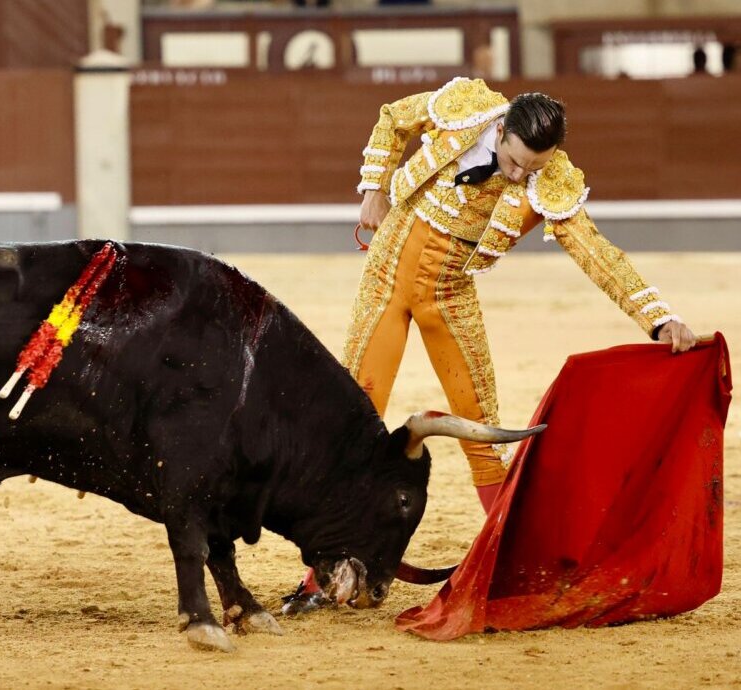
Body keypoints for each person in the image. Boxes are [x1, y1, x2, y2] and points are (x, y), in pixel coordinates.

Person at [281, 77, 697, 615]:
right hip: (384, 275)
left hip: (449, 294)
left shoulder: (553, 181)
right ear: (500, 129)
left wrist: (659, 318)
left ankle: (520, 568)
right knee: (353, 420)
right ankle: (320, 579)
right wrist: (373, 189)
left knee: (482, 429)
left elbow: (595, 252)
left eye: (534, 168)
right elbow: (393, 117)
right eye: (515, 160)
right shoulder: (465, 107)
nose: (521, 175)